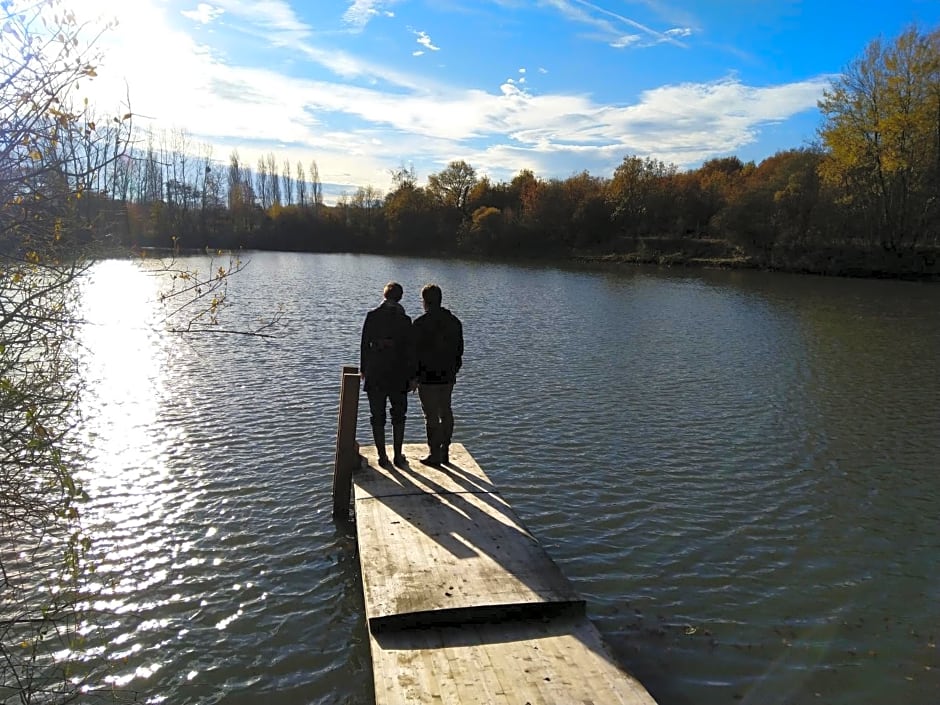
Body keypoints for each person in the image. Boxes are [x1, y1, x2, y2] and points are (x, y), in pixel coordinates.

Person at [360, 282, 416, 467]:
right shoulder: (405, 320)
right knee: (398, 415)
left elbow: (364, 346)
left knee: (377, 416)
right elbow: (410, 352)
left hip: (375, 373)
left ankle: (382, 456)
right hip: (398, 375)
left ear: (384, 296)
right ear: (400, 298)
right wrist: (412, 377)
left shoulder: (372, 316)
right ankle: (398, 455)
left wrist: (363, 370)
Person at [413, 283, 463, 467]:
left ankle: (434, 453)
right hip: (447, 376)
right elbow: (460, 351)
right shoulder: (454, 322)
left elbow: (413, 354)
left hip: (427, 378)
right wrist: (454, 369)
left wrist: (414, 377)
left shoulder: (419, 324)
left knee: (431, 416)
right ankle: (445, 451)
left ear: (425, 302)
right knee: (446, 411)